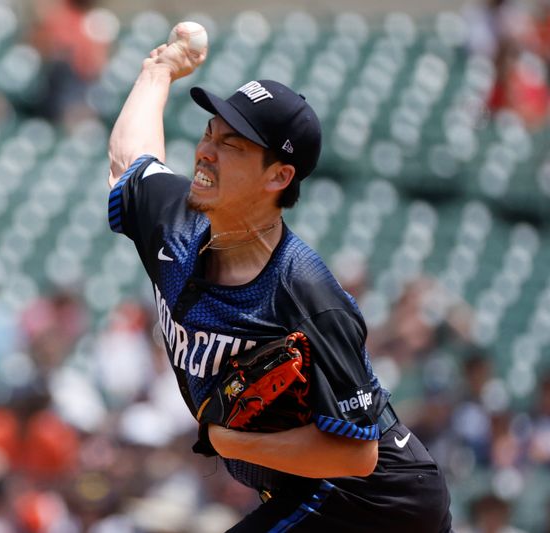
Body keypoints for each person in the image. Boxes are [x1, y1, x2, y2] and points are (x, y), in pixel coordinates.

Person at [105, 33, 452, 531]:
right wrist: (158, 71)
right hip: (311, 491)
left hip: (376, 500)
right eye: (209, 133)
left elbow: (357, 454)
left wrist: (228, 442)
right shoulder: (175, 224)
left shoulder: (307, 294)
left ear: (278, 176)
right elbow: (129, 161)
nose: (206, 152)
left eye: (232, 144)